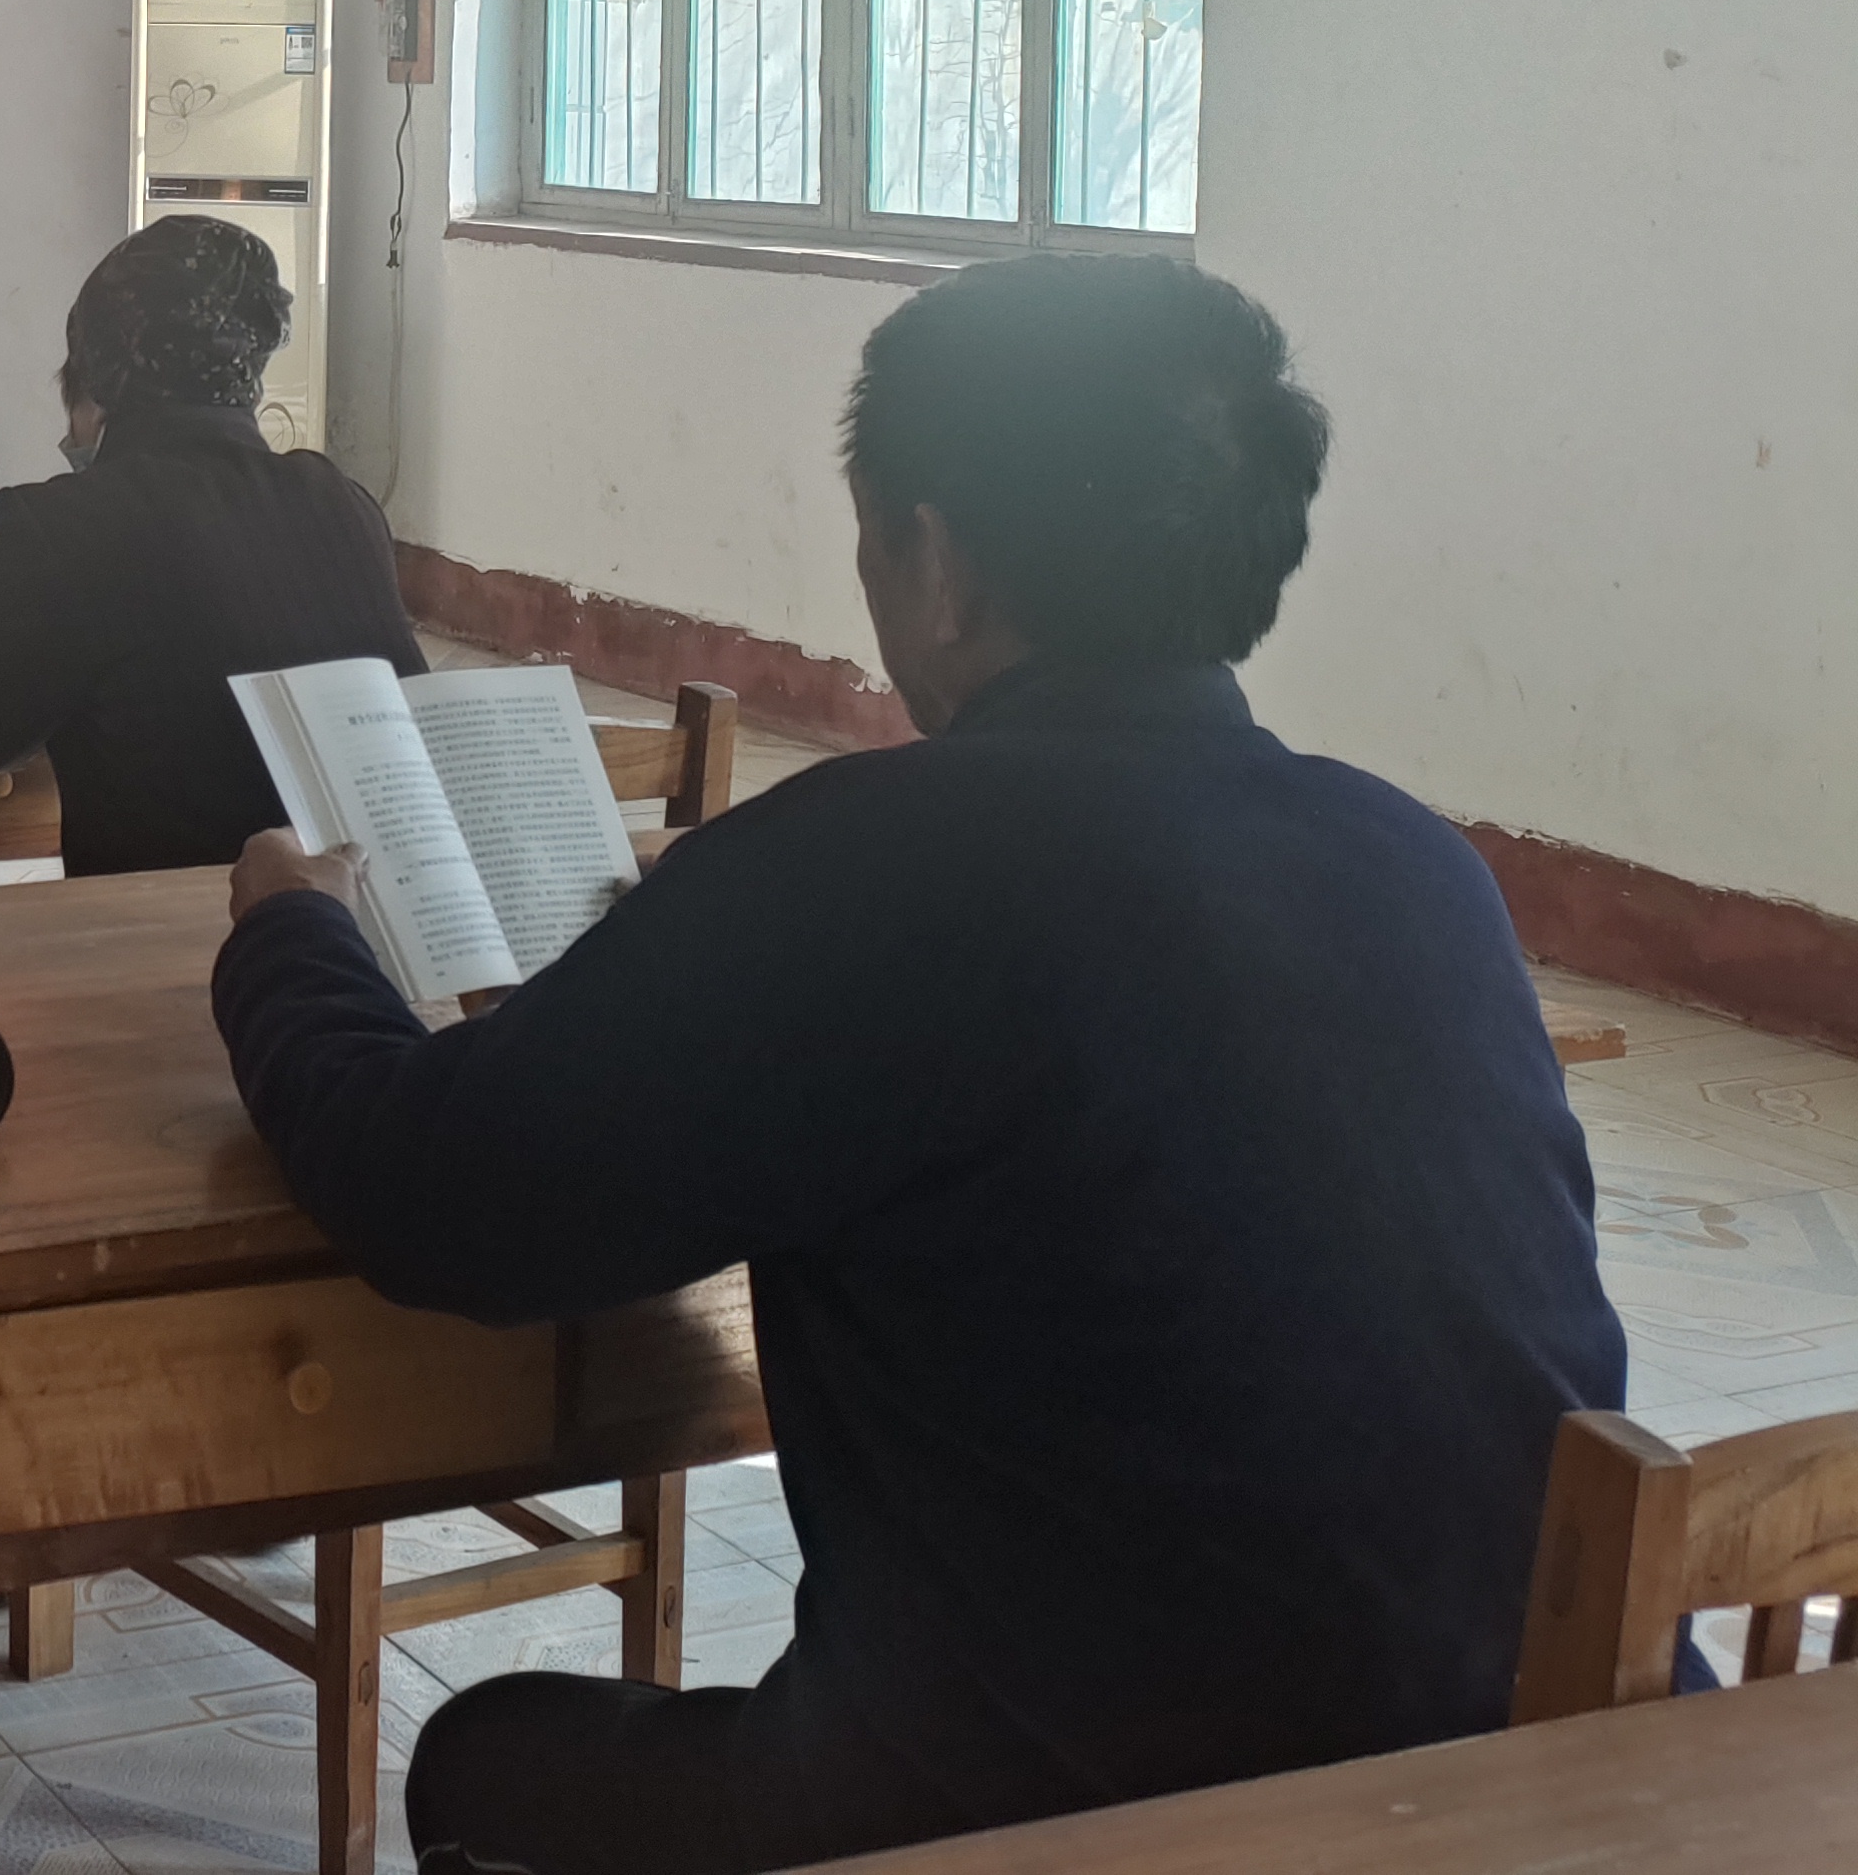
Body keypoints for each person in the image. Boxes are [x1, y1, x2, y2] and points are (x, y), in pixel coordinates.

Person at [215, 256, 1635, 1875]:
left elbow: (432, 1195)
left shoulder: (863, 865)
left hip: (1078, 1817)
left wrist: (289, 932)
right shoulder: (1414, 861)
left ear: (937, 563)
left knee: (486, 1766)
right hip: (1531, 1780)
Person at [0, 214, 414, 876]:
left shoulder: (74, 525)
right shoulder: (341, 503)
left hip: (183, 925)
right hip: (358, 911)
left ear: (98, 390)